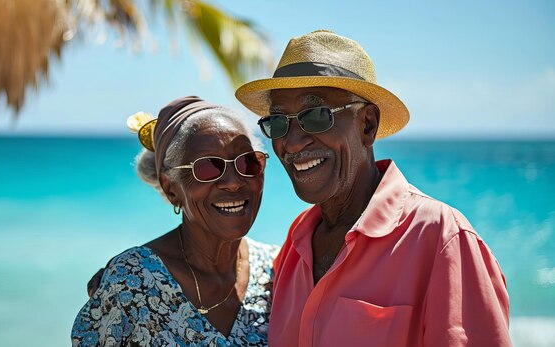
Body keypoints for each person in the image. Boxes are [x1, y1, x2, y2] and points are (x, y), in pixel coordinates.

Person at [235, 30, 511, 346]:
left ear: (367, 124)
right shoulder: (296, 244)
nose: (292, 142)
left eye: (315, 116)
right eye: (279, 122)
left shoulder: (441, 237)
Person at [71, 96, 277, 346]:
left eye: (248, 162)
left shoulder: (279, 269)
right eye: (208, 167)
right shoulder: (133, 280)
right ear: (171, 188)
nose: (233, 182)